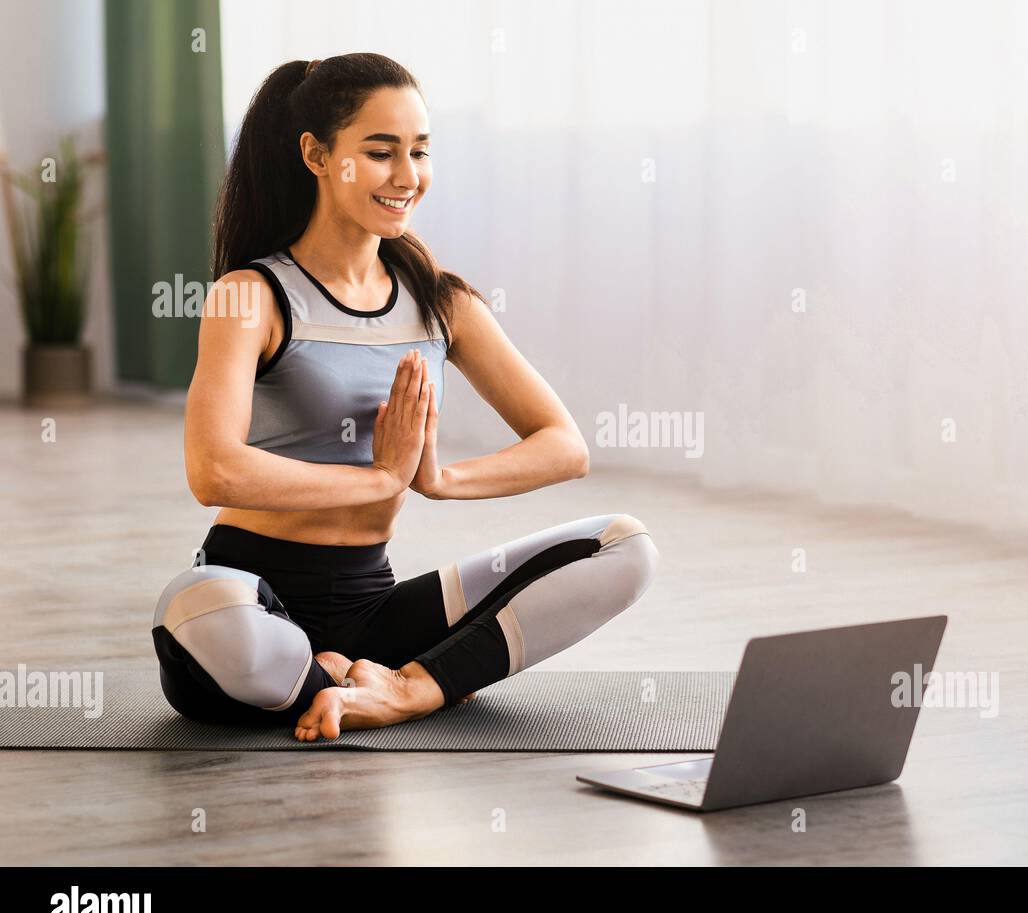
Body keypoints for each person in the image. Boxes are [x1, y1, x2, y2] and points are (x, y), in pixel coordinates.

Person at [150, 54, 657, 741]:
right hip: (251, 598)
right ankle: (343, 679)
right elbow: (213, 471)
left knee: (626, 547)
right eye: (381, 152)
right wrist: (380, 476)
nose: (408, 176)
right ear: (317, 155)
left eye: (419, 151)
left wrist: (440, 481)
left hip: (374, 610)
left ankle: (407, 689)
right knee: (198, 608)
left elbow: (564, 447)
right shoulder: (251, 296)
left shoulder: (440, 302)